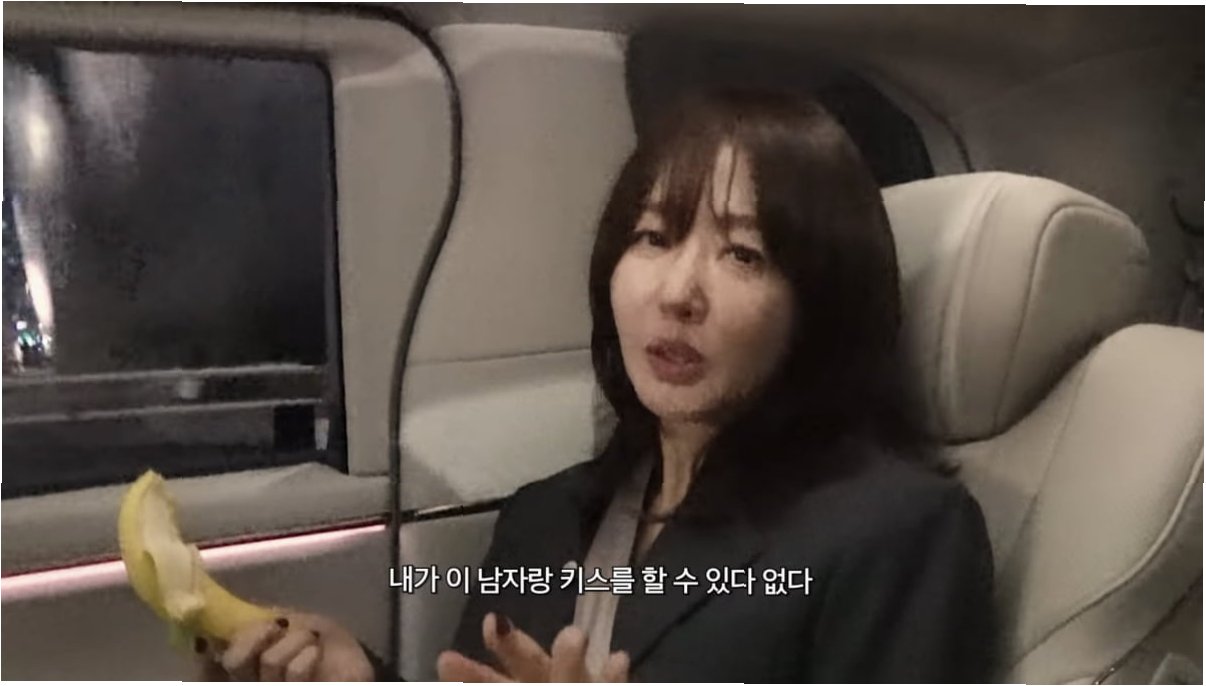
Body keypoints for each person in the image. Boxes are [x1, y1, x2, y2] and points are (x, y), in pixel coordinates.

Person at [196, 90, 996, 682]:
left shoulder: (897, 532)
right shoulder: (545, 519)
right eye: (654, 237)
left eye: (743, 255)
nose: (678, 292)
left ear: (819, 301)